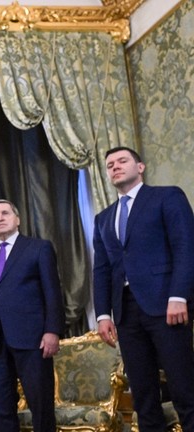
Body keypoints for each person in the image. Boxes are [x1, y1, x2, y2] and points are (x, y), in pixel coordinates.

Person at [93, 146, 194, 432]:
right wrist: (102, 314)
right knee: (143, 395)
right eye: (110, 164)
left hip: (166, 305)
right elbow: (101, 269)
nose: (115, 166)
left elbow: (186, 248)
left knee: (183, 388)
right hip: (126, 312)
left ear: (140, 167)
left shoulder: (167, 197)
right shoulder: (103, 218)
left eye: (122, 161)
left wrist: (178, 296)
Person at [0, 199, 64, 432]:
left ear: (17, 219)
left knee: (40, 405)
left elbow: (52, 292)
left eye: (5, 213)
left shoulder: (38, 248)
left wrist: (52, 330)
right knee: (1, 409)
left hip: (32, 339)